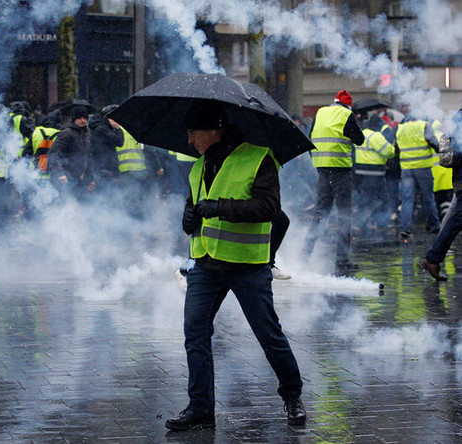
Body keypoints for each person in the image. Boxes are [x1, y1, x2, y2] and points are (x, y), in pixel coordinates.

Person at [165, 100, 305, 431]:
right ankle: (200, 408)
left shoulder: (258, 158)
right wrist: (188, 218)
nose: (189, 140)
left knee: (268, 334)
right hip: (205, 265)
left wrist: (219, 207)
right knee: (195, 333)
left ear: (214, 130)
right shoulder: (198, 167)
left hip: (247, 265)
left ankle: (292, 395)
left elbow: (270, 208)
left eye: (193, 133)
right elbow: (192, 210)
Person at [302, 90, 365, 276]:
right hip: (340, 170)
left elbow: (310, 138)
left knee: (320, 212)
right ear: (348, 106)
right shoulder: (346, 115)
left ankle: (304, 254)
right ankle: (342, 261)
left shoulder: (321, 112)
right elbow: (360, 140)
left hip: (322, 169)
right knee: (344, 215)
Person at [423, 108, 462, 280]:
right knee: (457, 219)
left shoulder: (456, 119)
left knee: (455, 218)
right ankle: (433, 258)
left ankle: (433, 257)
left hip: (458, 179)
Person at [395, 116, 441, 239]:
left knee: (407, 199)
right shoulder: (424, 125)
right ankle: (434, 225)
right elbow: (434, 143)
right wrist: (440, 150)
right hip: (423, 167)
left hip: (406, 168)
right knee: (428, 197)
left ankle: (405, 229)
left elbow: (396, 149)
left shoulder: (401, 128)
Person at [353, 114, 396, 231]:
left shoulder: (361, 133)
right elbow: (389, 152)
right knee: (381, 199)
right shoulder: (376, 136)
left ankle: (361, 224)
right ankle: (381, 223)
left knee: (364, 199)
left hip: (360, 172)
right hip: (374, 173)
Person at [47, 105, 96, 196]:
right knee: (66, 202)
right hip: (64, 177)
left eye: (85, 118)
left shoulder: (87, 133)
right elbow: (53, 153)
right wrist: (59, 173)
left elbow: (88, 157)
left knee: (84, 202)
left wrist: (90, 178)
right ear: (74, 119)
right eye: (79, 118)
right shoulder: (67, 133)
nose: (83, 120)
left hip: (78, 178)